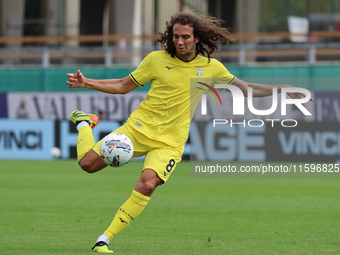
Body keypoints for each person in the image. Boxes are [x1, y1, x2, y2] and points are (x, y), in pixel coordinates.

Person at [66, 12, 310, 253]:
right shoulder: (155, 60)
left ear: (196, 39)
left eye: (185, 37)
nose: (179, 42)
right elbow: (123, 85)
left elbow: (246, 89)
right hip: (137, 129)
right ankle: (85, 123)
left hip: (170, 142)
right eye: (175, 36)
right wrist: (87, 82)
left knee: (148, 184)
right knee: (87, 164)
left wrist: (282, 89)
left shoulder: (210, 67)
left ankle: (103, 240)